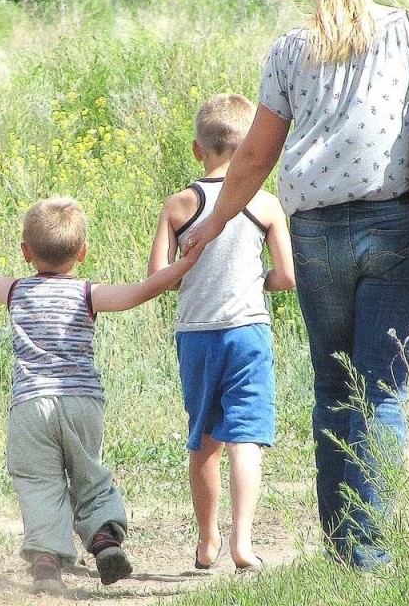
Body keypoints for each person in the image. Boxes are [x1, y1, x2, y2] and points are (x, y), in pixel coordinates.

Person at [177, 0, 409, 570]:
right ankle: (367, 556)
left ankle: (340, 545)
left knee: (334, 390)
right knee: (379, 393)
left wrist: (212, 223)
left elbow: (256, 155)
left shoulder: (291, 51)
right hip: (400, 228)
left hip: (316, 233)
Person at [0, 196, 194, 593]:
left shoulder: (15, 291)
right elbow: (141, 291)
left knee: (39, 481)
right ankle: (104, 539)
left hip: (30, 405)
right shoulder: (88, 294)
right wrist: (186, 262)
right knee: (89, 472)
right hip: (81, 401)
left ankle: (45, 559)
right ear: (83, 251)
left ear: (25, 252)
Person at [148, 94, 294, 572]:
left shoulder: (178, 204)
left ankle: (207, 539)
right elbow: (287, 277)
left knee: (204, 439)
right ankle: (243, 543)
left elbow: (158, 276)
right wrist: (256, 283)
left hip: (196, 335)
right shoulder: (264, 203)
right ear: (251, 143)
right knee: (246, 437)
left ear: (198, 150)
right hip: (249, 332)